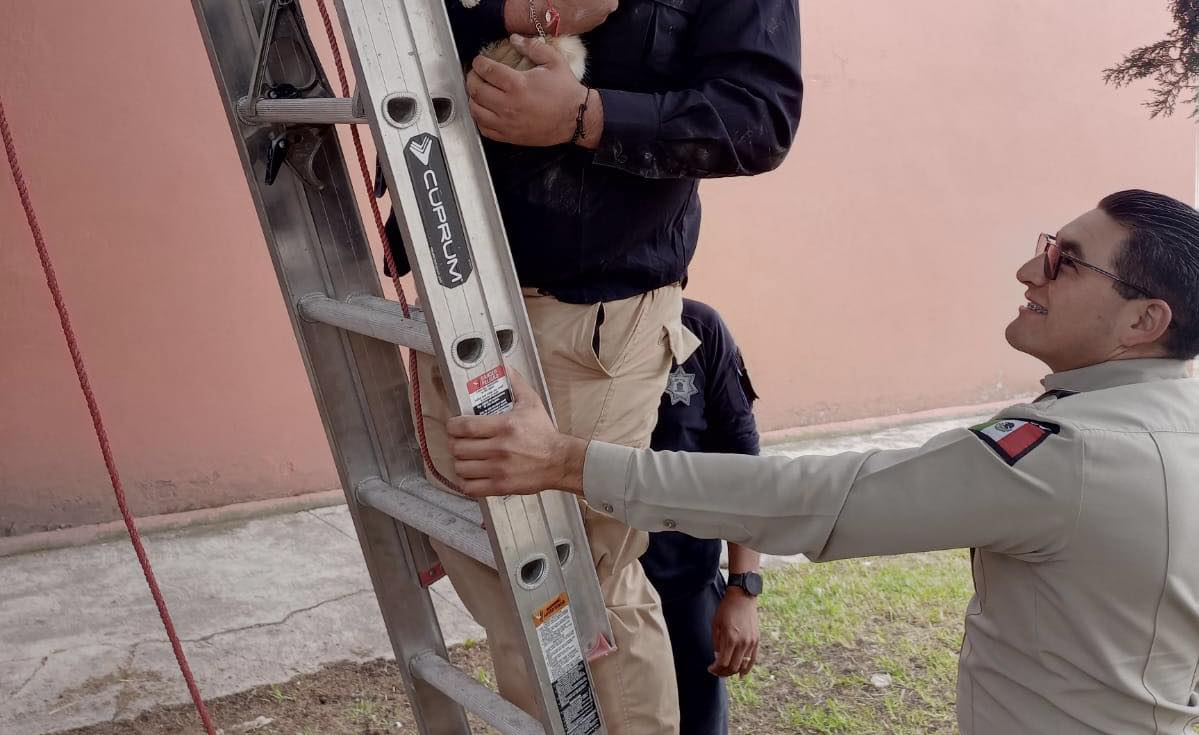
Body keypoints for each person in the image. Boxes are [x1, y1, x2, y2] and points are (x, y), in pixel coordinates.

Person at [385, 0, 802, 732]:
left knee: (577, 582)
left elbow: (761, 115)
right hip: (447, 285)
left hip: (596, 324)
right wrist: (508, 9)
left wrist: (582, 115)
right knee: (498, 570)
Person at [446, 190, 1199, 734]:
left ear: (1142, 319)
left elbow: (816, 492)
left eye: (1061, 261)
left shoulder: (1074, 453)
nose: (1025, 270)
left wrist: (566, 459)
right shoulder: (1165, 427)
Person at [642, 299, 762, 735]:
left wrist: (743, 590)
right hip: (589, 595)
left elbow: (744, 470)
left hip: (685, 587)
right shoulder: (559, 328)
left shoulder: (698, 329)